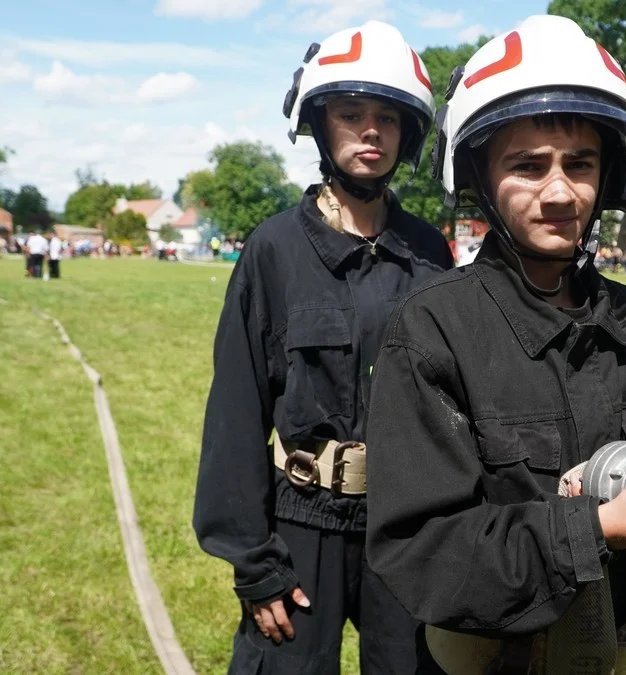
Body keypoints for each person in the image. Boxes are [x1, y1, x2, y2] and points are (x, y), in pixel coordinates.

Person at [364, 16, 626, 674]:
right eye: (528, 166)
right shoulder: (431, 329)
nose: (562, 192)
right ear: (480, 176)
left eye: (581, 163)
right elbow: (423, 552)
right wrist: (597, 527)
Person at [192, 21, 453, 674]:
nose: (371, 130)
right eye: (351, 113)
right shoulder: (274, 249)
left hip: (405, 522)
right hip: (299, 519)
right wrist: (254, 561)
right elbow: (235, 409)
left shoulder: (431, 254)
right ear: (319, 122)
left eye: (388, 117)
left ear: (409, 132)